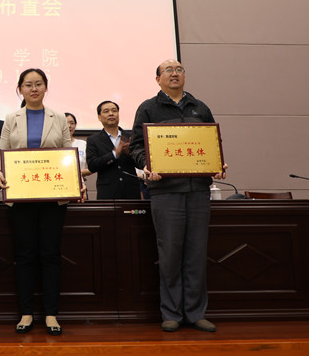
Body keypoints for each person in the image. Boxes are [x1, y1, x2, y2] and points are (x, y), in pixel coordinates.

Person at [129, 59, 227, 333]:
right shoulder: (148, 108)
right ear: (158, 78)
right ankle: (171, 313)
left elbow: (213, 143)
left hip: (198, 191)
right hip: (166, 192)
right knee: (170, 253)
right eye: (169, 70)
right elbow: (136, 146)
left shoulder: (200, 107)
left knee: (196, 253)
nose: (175, 73)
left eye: (179, 70)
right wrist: (147, 165)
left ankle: (196, 313)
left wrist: (218, 163)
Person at [0, 69, 86, 336]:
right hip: (21, 197)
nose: (33, 89)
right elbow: (1, 154)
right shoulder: (12, 118)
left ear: (46, 87)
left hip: (53, 197)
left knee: (51, 254)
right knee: (24, 255)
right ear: (20, 89)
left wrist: (76, 180)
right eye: (28, 85)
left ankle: (51, 314)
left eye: (38, 84)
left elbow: (68, 153)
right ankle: (26, 312)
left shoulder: (58, 118)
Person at [86, 101, 140, 200]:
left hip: (131, 191)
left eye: (114, 111)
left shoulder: (131, 136)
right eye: (106, 111)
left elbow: (140, 164)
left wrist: (130, 154)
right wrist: (114, 154)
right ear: (99, 117)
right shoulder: (93, 140)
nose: (111, 113)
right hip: (107, 192)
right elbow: (92, 166)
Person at [65, 112, 92, 179]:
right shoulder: (55, 144)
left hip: (80, 182)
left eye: (72, 123)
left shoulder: (83, 144)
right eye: (65, 123)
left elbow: (93, 167)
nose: (69, 126)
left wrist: (78, 173)